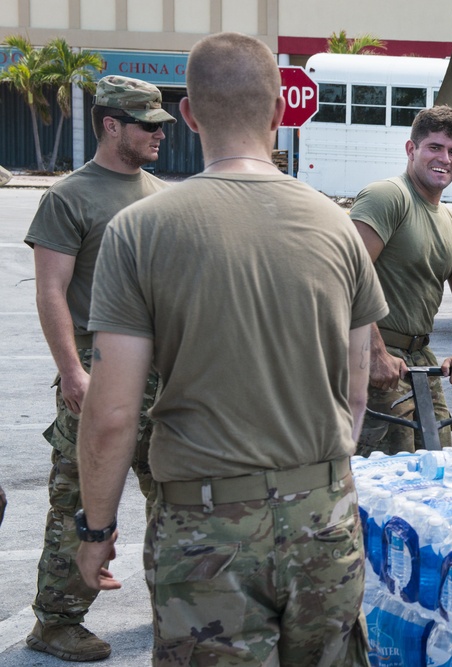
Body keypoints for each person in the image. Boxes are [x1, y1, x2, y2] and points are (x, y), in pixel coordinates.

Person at [74, 32, 386, 666]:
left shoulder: (140, 229)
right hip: (324, 520)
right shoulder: (337, 224)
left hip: (204, 530)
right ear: (277, 112)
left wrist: (97, 529)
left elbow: (111, 416)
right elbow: (357, 393)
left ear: (188, 114)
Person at [22, 74, 175, 662]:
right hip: (96, 365)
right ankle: (56, 621)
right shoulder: (69, 197)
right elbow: (52, 292)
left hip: (158, 369)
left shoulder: (160, 193)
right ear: (112, 125)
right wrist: (72, 371)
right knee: (79, 500)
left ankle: (174, 608)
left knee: (172, 493)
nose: (160, 135)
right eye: (148, 125)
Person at [351, 105, 452, 456]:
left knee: (434, 465)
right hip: (371, 353)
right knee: (375, 476)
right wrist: (374, 352)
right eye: (435, 148)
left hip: (418, 360)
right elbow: (345, 274)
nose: (445, 159)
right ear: (412, 150)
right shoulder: (388, 197)